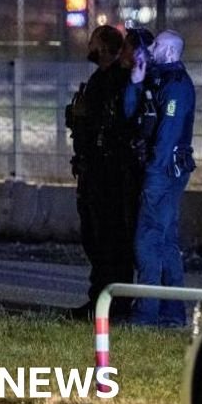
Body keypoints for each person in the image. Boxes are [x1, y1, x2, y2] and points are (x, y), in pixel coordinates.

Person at [124, 29, 197, 327]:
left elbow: (167, 137)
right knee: (165, 242)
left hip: (164, 173)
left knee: (146, 240)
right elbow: (131, 114)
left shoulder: (176, 86)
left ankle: (146, 313)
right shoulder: (157, 80)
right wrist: (135, 82)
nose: (151, 48)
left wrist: (153, 174)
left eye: (156, 45)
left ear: (169, 51)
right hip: (160, 170)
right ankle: (171, 313)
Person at [65, 25, 138, 319]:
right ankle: (99, 299)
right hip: (92, 171)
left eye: (94, 43)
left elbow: (114, 126)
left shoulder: (118, 80)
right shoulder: (100, 78)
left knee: (110, 240)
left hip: (109, 175)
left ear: (106, 47)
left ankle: (112, 303)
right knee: (94, 239)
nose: (89, 48)